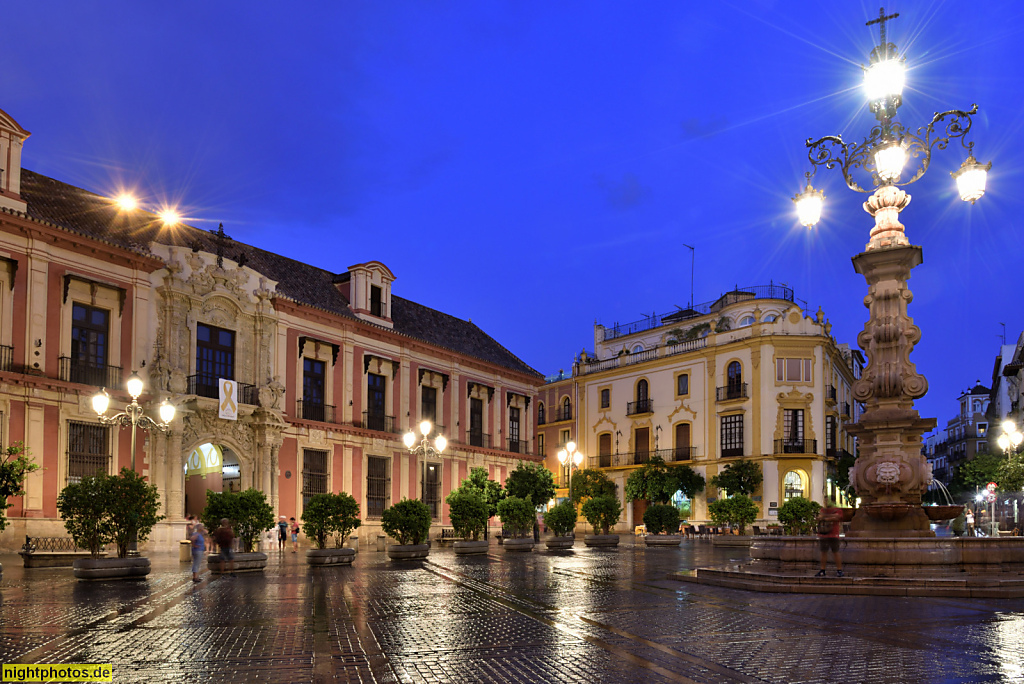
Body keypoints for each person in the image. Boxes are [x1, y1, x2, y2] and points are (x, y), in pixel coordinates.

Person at [815, 503, 843, 578]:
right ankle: (823, 569)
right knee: (824, 552)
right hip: (824, 533)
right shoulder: (824, 510)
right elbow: (819, 517)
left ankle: (839, 570)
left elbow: (837, 518)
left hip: (833, 534)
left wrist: (824, 517)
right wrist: (831, 516)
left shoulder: (837, 510)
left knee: (835, 552)